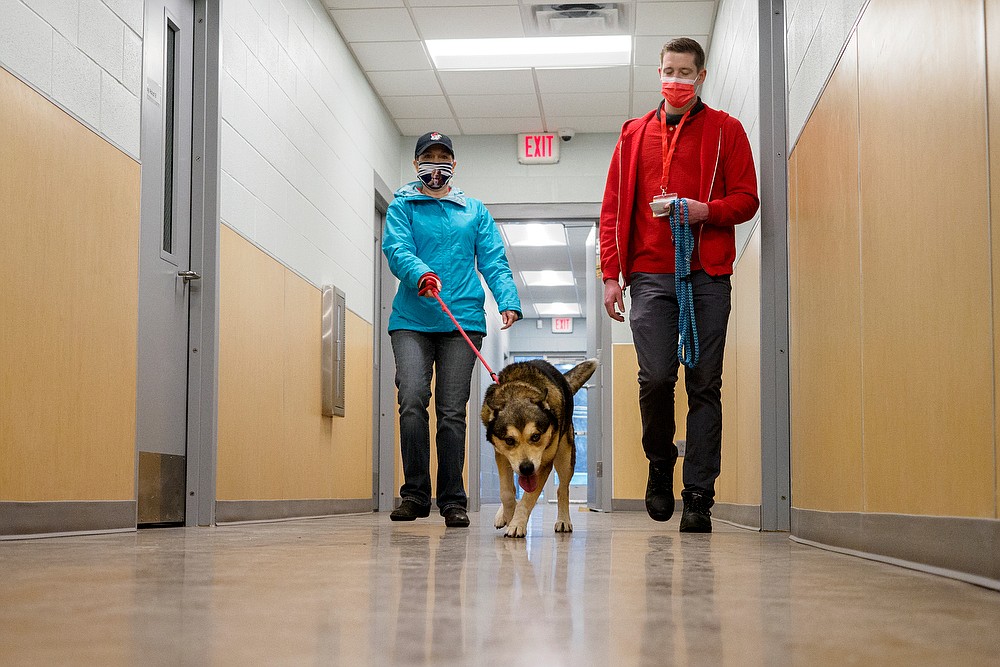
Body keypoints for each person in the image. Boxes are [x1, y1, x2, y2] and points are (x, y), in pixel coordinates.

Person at [599, 38, 759, 532]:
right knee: (656, 379)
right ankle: (660, 463)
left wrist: (705, 211)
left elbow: (748, 199)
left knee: (705, 383)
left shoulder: (726, 130)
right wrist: (610, 276)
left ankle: (698, 496)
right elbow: (611, 212)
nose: (676, 79)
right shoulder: (633, 135)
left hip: (707, 274)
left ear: (701, 76)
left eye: (685, 72)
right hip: (649, 276)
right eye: (668, 70)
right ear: (659, 73)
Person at [382, 131, 522, 528]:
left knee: (451, 412)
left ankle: (452, 500)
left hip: (461, 320)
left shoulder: (473, 210)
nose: (436, 165)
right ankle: (413, 495)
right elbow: (396, 248)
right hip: (412, 319)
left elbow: (493, 257)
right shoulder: (402, 206)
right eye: (429, 157)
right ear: (416, 165)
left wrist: (507, 299)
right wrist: (419, 272)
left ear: (454, 166)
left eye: (444, 157)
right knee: (411, 400)